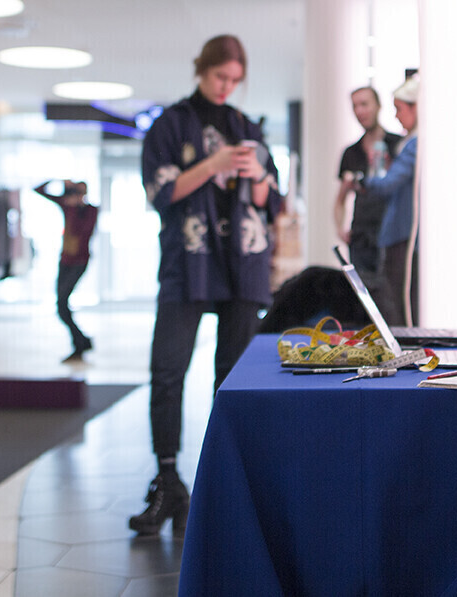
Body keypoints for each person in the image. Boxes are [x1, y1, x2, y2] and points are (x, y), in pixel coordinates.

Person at [132, 33, 280, 535]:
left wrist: (257, 173)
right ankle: (168, 480)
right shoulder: (170, 124)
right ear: (202, 69)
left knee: (232, 378)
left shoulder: (247, 127)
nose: (226, 87)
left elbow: (268, 201)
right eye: (221, 76)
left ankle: (226, 481)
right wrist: (213, 165)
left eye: (235, 80)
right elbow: (161, 192)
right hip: (189, 260)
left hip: (243, 263)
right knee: (167, 371)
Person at [361, 74, 419, 327]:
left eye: (399, 109)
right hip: (401, 236)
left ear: (416, 108)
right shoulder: (412, 143)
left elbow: (388, 185)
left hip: (401, 237)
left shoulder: (415, 144)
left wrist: (364, 180)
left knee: (396, 303)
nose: (396, 116)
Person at [334, 86, 401, 279]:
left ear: (378, 105)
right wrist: (340, 228)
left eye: (364, 104)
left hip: (390, 233)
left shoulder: (397, 145)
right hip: (361, 237)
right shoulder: (351, 153)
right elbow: (340, 199)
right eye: (355, 106)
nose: (360, 111)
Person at [33, 178, 99, 361]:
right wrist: (56, 180)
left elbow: (84, 231)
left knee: (62, 302)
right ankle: (82, 341)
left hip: (80, 261)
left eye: (79, 192)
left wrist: (76, 207)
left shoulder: (90, 210)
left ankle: (80, 343)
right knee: (60, 305)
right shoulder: (66, 205)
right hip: (65, 260)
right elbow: (38, 189)